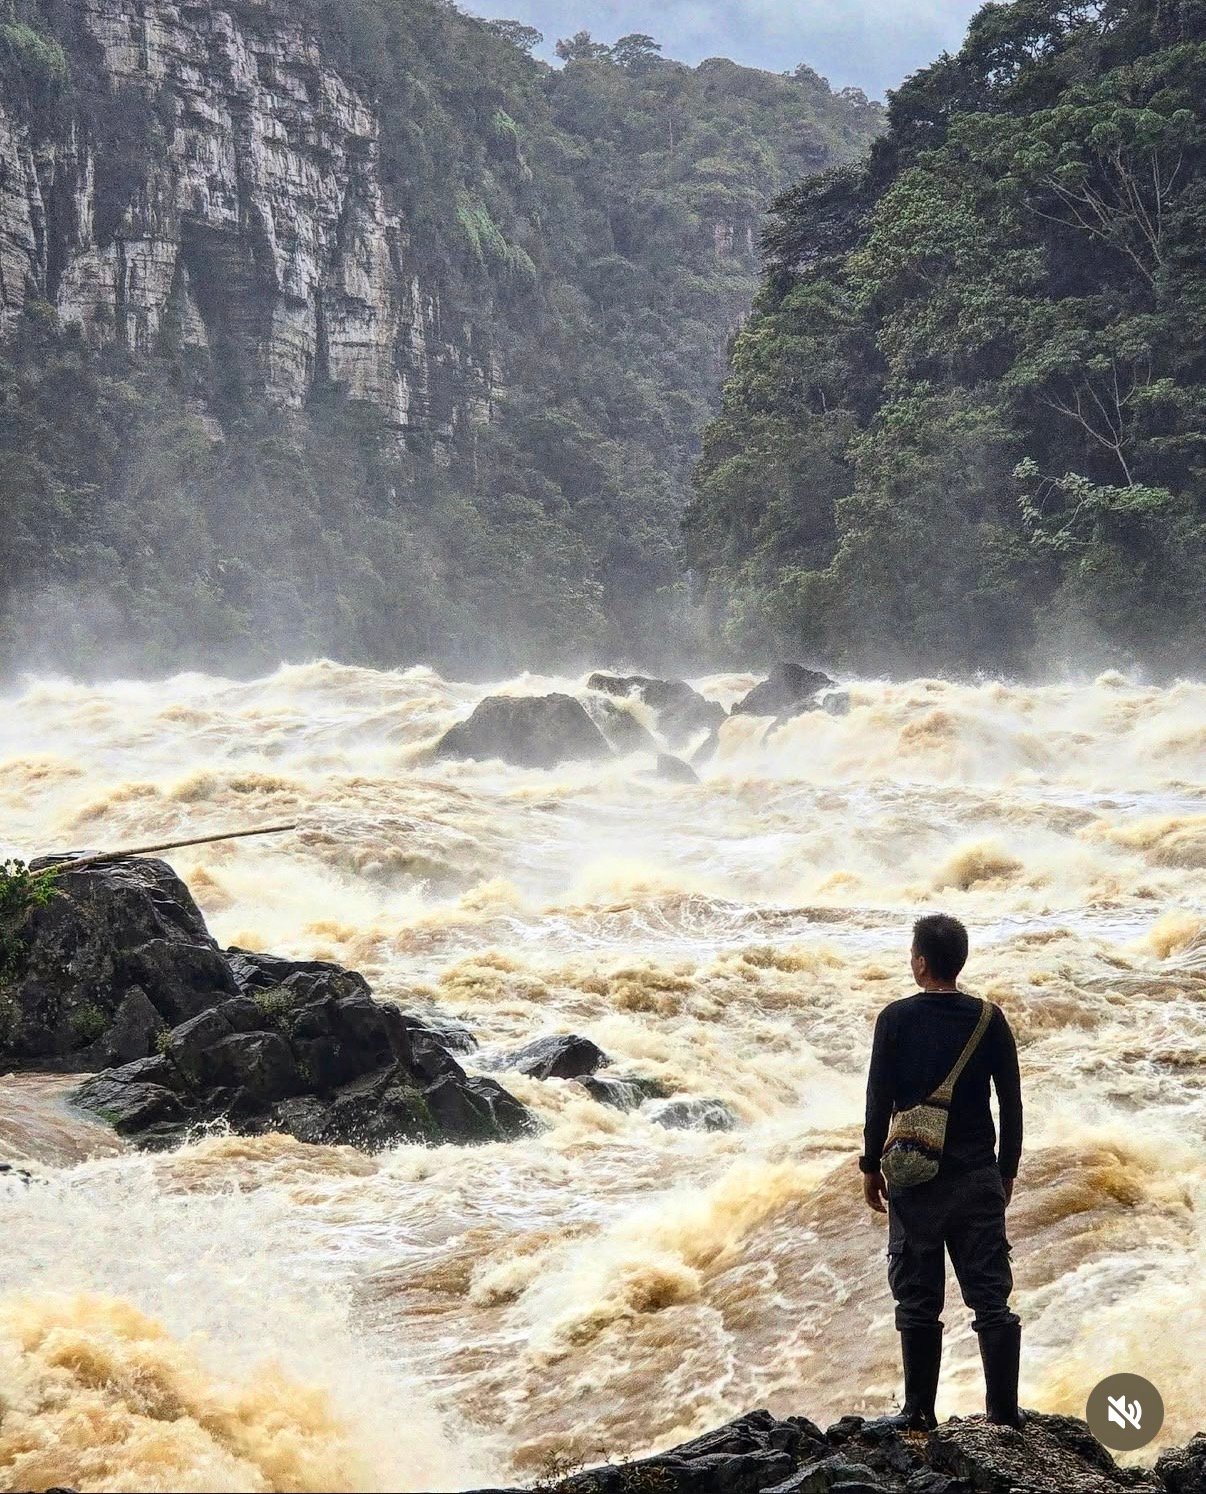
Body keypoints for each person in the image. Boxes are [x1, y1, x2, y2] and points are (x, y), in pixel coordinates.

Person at [860, 912, 1024, 1431]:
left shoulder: (895, 1019)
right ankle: (1003, 1414)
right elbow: (1012, 1103)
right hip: (977, 1176)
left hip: (915, 1178)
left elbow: (877, 1101)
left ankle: (918, 1412)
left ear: (922, 962)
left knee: (916, 1297)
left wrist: (870, 1164)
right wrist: (1007, 1171)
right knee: (991, 1298)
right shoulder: (988, 1019)